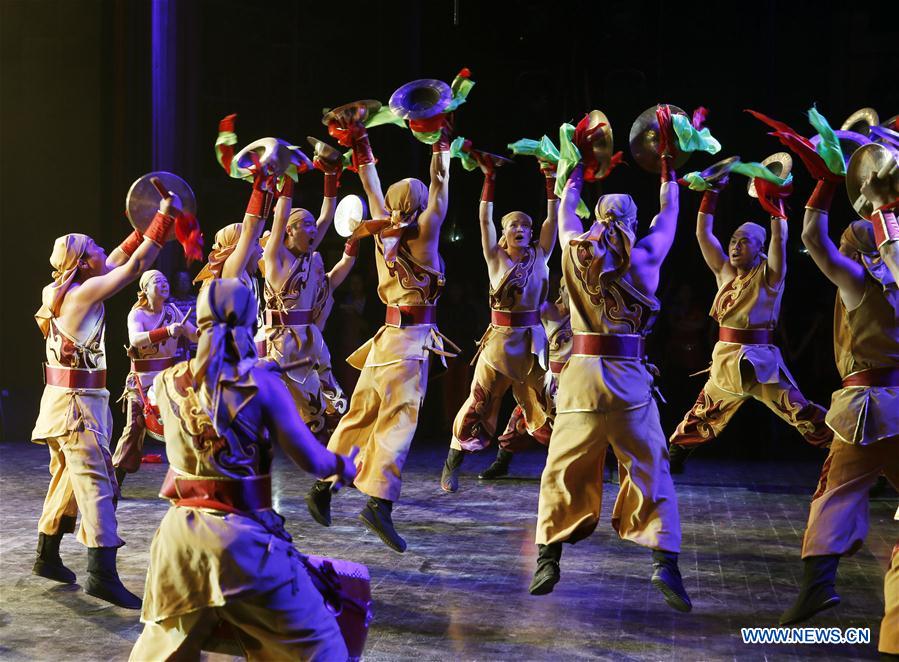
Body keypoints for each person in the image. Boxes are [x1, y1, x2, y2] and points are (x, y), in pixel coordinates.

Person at [129, 279, 355, 661]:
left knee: (165, 654)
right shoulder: (262, 383)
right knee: (322, 649)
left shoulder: (167, 382)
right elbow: (311, 460)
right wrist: (343, 465)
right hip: (240, 543)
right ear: (250, 319)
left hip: (179, 543)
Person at [531, 111, 691, 612]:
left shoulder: (577, 246)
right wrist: (667, 165)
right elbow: (670, 215)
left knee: (562, 467)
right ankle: (664, 561)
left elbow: (564, 209)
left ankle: (548, 557)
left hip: (579, 380)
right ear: (631, 222)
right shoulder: (646, 258)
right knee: (649, 467)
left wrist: (574, 169)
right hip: (627, 383)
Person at [306, 104, 454, 552]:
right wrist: (441, 141)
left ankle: (322, 487)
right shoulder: (424, 233)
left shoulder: (382, 230)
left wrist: (361, 141)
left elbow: (369, 180)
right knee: (398, 423)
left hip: (382, 342)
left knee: (360, 414)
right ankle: (379, 503)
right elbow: (441, 186)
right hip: (409, 345)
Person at [31, 186, 183, 608]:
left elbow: (119, 254)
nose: (104, 248)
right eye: (95, 248)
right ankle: (102, 572)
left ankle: (46, 556)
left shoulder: (61, 289)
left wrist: (144, 222)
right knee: (97, 483)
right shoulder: (81, 295)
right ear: (83, 263)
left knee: (66, 480)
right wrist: (164, 217)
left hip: (65, 401)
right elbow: (134, 264)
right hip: (77, 406)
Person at [778, 168, 899, 635]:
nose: (840, 252)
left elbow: (812, 236)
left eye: (847, 245)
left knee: (833, 493)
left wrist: (827, 182)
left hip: (870, 410)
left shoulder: (857, 280)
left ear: (857, 251)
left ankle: (819, 583)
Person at [667, 179, 832, 472]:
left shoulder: (770, 276)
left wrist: (775, 203)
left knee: (800, 412)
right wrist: (711, 192)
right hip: (726, 361)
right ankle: (675, 455)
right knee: (701, 414)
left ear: (759, 248)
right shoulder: (725, 274)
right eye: (733, 240)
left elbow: (779, 240)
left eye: (744, 241)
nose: (735, 246)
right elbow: (702, 232)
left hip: (759, 364)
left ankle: (847, 451)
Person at [440, 156, 557, 492]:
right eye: (513, 225)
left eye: (525, 225)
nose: (520, 229)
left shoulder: (541, 255)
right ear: (504, 233)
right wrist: (489, 178)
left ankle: (565, 466)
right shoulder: (496, 258)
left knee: (553, 403)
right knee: (478, 403)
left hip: (532, 345)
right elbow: (483, 219)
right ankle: (453, 461)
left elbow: (553, 218)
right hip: (500, 345)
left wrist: (550, 179)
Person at [261, 159, 355, 439]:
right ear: (290, 230)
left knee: (331, 404)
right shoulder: (275, 257)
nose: (314, 231)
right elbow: (278, 219)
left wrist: (329, 175)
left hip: (310, 341)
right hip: (279, 343)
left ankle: (331, 452)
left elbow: (327, 216)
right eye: (306, 226)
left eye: (314, 227)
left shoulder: (309, 259)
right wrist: (288, 179)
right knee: (278, 408)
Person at [112, 270, 197, 489]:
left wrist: (215, 330)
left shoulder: (173, 311)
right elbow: (136, 339)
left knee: (185, 426)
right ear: (145, 289)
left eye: (166, 280)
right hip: (141, 380)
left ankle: (188, 482)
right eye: (157, 282)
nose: (164, 284)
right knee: (133, 429)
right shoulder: (137, 315)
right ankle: (114, 482)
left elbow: (193, 333)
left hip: (167, 381)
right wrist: (168, 331)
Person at [487, 283, 572, 479]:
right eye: (568, 290)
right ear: (561, 292)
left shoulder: (590, 318)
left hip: (579, 385)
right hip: (551, 384)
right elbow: (530, 303)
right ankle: (502, 461)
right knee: (525, 411)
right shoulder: (552, 312)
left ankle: (607, 465)